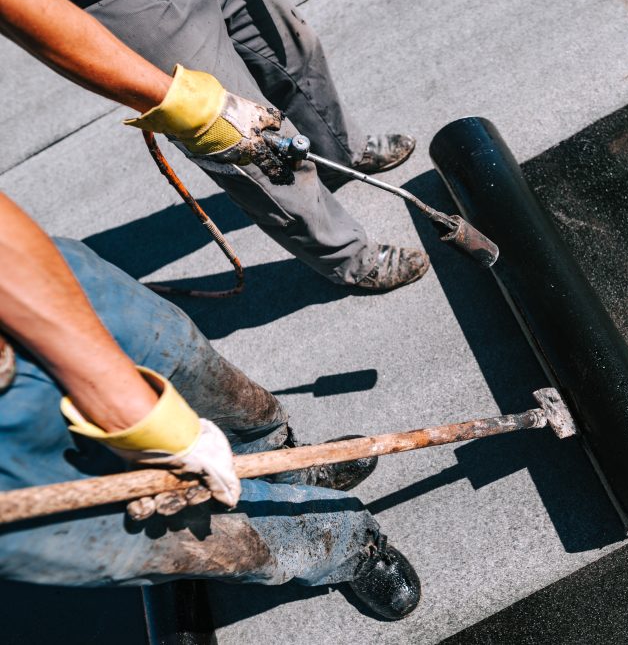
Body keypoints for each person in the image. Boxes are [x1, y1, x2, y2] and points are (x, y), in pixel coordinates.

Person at [0, 192, 421, 620]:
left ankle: (285, 465)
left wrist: (127, 405)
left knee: (204, 382)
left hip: (24, 271)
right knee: (170, 531)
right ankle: (338, 541)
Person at [0, 0, 430, 291]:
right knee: (254, 146)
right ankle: (348, 258)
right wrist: (181, 102)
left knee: (294, 56)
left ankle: (340, 152)